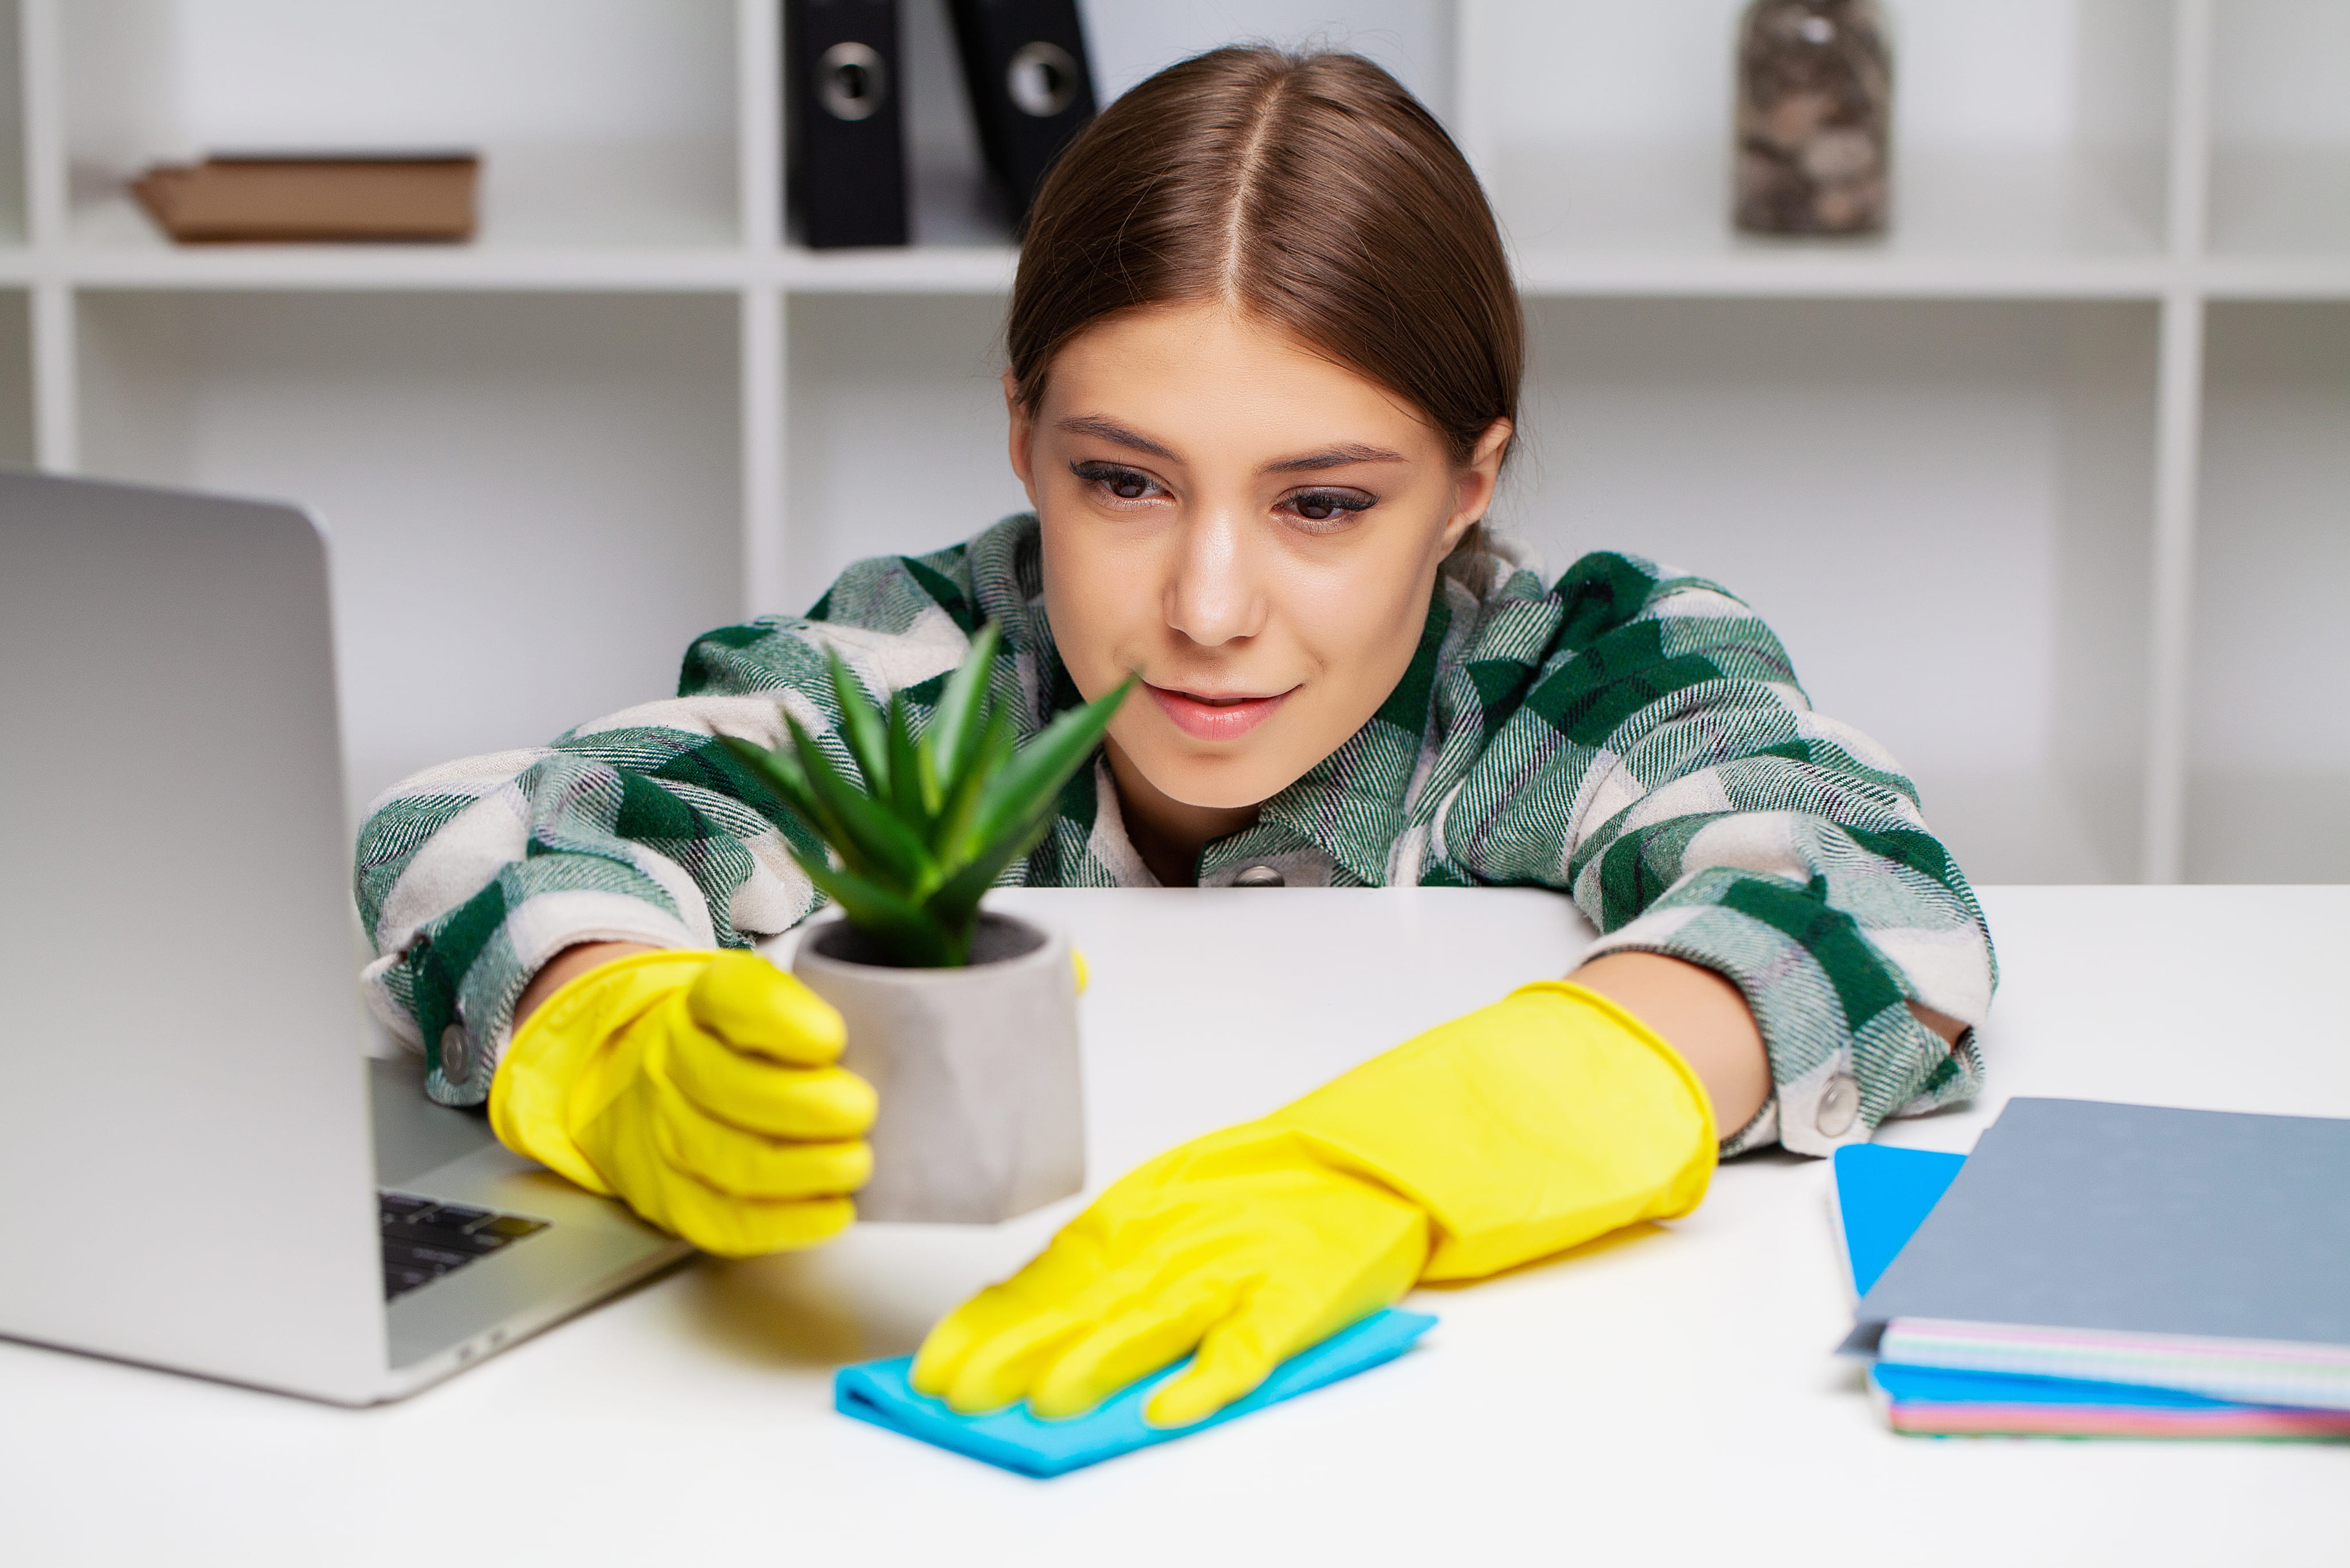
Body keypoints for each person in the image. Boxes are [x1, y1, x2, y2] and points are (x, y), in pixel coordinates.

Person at [357, 48, 1989, 1426]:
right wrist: (608, 1032)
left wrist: (1412, 1158)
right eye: (1124, 482)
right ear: (1022, 433)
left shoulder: (1575, 677)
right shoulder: (932, 664)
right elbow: (476, 823)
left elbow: (1875, 896)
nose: (1210, 606)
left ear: (1470, 486)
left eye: (1325, 503)